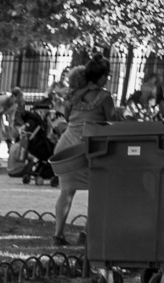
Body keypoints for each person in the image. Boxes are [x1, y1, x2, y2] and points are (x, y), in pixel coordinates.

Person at [49, 57, 118, 247]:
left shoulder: (73, 95)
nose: (108, 78)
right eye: (107, 74)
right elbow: (112, 123)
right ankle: (86, 233)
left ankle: (58, 235)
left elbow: (68, 117)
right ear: (101, 77)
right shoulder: (104, 98)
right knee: (100, 191)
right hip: (90, 146)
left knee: (66, 192)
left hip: (67, 145)